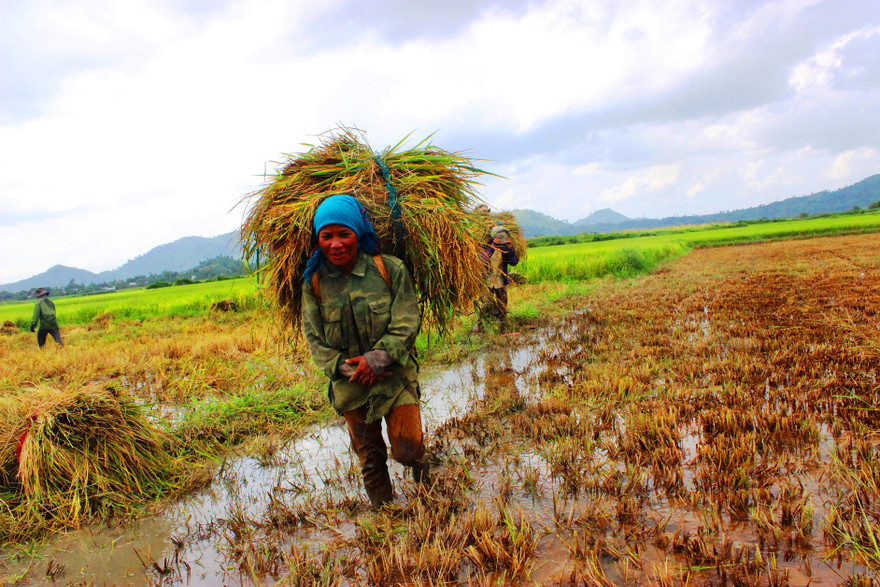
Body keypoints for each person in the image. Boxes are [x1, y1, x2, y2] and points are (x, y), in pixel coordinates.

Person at [301, 194, 428, 510]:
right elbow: (316, 341)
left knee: (407, 450)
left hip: (395, 377)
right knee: (371, 459)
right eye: (326, 236)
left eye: (344, 234)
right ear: (318, 240)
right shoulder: (313, 283)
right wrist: (347, 370)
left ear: (358, 232)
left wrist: (378, 358)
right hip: (351, 387)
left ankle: (427, 485)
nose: (336, 244)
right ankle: (386, 523)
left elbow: (407, 321)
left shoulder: (389, 269)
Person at [473, 225, 519, 333]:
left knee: (503, 303)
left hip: (500, 280)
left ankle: (503, 325)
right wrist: (493, 246)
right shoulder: (486, 247)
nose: (500, 242)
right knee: (486, 303)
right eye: (498, 239)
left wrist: (510, 248)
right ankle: (479, 323)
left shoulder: (506, 248)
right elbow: (483, 259)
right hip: (488, 280)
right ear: (494, 238)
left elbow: (514, 262)